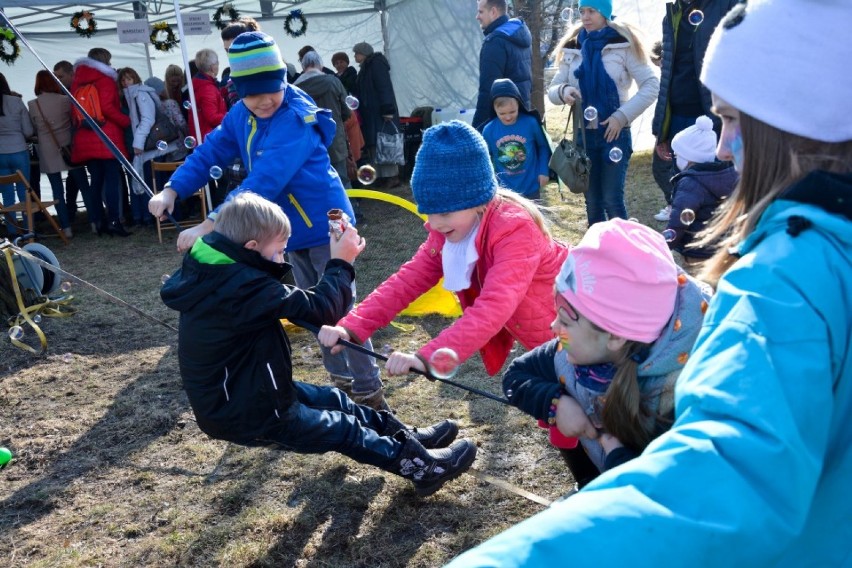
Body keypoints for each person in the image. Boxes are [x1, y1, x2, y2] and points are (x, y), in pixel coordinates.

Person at [447, 0, 852, 564]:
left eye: (733, 118)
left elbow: (721, 480)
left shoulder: (783, 282)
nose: (720, 145)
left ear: (792, 122)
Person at [159, 192, 477, 498]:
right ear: (251, 246)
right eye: (280, 250)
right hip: (249, 412)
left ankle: (409, 439)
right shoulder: (241, 286)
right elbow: (323, 308)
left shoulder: (217, 267)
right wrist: (340, 261)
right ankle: (423, 468)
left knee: (337, 400)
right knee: (342, 429)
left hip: (253, 391)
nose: (283, 259)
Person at [148, 32, 385, 410]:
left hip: (327, 225)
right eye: (251, 93)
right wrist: (173, 190)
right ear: (238, 91)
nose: (262, 100)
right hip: (285, 232)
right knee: (313, 311)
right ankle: (341, 385)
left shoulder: (295, 116)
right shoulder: (243, 113)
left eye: (271, 89)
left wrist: (209, 226)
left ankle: (369, 390)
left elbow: (263, 183)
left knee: (341, 309)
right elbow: (211, 149)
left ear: (283, 79)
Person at [318, 120, 570, 379]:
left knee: (591, 410)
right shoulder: (449, 230)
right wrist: (352, 326)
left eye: (445, 213)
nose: (434, 224)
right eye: (427, 211)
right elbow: (408, 280)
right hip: (552, 343)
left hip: (582, 333)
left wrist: (427, 356)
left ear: (478, 201)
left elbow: (495, 305)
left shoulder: (515, 230)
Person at [504, 218, 710, 488]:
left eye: (565, 320)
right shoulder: (571, 353)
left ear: (614, 336)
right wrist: (557, 403)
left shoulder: (685, 396)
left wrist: (616, 455)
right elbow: (516, 376)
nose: (553, 327)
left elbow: (667, 496)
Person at [547, 0, 658, 226]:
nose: (585, 17)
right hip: (584, 137)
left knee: (612, 199)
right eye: (581, 11)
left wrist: (621, 117)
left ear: (605, 13)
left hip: (614, 134)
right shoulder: (573, 47)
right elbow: (553, 88)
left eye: (591, 11)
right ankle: (598, 256)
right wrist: (564, 90)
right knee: (593, 202)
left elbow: (651, 85)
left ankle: (622, 254)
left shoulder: (623, 44)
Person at [650, 0, 738, 223]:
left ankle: (716, 222)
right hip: (679, 111)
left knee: (714, 178)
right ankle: (679, 208)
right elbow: (668, 74)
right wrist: (662, 128)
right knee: (671, 173)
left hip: (712, 113)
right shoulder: (673, 13)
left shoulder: (727, 5)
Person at [71, 47, 132, 237]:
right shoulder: (104, 79)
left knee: (95, 182)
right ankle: (115, 221)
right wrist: (126, 121)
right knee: (112, 180)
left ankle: (98, 222)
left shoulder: (77, 81)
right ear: (105, 61)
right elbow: (107, 107)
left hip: (85, 137)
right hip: (106, 136)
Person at [664, 115, 737, 264]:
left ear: (688, 158)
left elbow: (677, 225)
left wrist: (662, 246)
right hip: (725, 251)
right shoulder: (728, 173)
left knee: (699, 287)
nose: (675, 158)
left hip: (697, 252)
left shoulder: (690, 183)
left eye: (677, 154)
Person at [481, 78, 551, 200]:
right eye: (502, 113)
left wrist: (543, 170)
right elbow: (485, 158)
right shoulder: (488, 130)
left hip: (531, 185)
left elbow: (543, 146)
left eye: (512, 112)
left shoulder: (530, 123)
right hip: (505, 191)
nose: (508, 117)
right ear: (494, 109)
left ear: (519, 104)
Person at [294, 51, 352, 189]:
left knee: (317, 183)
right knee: (341, 179)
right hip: (335, 138)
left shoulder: (295, 88)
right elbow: (346, 110)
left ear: (303, 67)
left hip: (309, 141)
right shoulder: (333, 82)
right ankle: (349, 209)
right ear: (320, 65)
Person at [27, 70, 75, 237]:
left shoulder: (33, 104)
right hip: (69, 145)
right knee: (83, 182)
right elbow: (73, 120)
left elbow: (31, 129)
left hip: (47, 147)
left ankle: (66, 228)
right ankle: (94, 223)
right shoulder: (65, 100)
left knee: (57, 190)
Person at [473, 0, 532, 130]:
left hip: (501, 126)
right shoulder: (519, 32)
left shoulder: (495, 42)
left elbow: (487, 92)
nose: (477, 16)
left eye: (480, 11)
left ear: (493, 11)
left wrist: (476, 130)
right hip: (521, 118)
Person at [353, 41, 401, 188]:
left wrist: (388, 110)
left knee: (385, 143)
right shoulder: (366, 67)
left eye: (357, 53)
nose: (355, 56)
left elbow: (384, 87)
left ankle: (392, 176)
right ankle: (381, 176)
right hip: (372, 113)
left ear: (364, 53)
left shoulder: (376, 65)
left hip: (380, 112)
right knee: (377, 144)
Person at [0, 72, 35, 237]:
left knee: (7, 196)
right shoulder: (16, 102)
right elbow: (28, 130)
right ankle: (29, 230)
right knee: (24, 193)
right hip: (19, 150)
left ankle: (13, 232)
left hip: (0, 154)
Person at [220, 17, 261, 109]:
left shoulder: (262, 72)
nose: (230, 55)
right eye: (227, 50)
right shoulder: (232, 78)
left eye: (234, 49)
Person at [189, 48, 226, 142]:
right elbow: (212, 117)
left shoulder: (199, 83)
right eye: (217, 63)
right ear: (212, 67)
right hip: (211, 138)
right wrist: (231, 116)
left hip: (203, 136)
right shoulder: (207, 88)